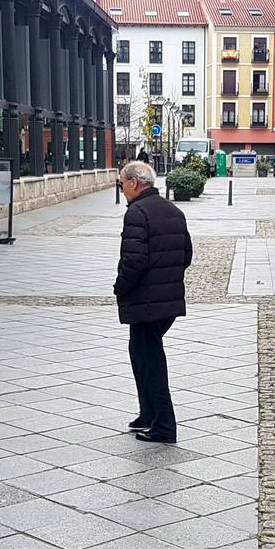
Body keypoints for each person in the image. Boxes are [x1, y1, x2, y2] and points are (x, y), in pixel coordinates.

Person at [114, 160, 193, 443]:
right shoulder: (173, 210)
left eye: (121, 184)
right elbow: (186, 255)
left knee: (151, 361)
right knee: (141, 354)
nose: (121, 189)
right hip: (166, 300)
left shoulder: (137, 212)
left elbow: (133, 261)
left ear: (134, 182)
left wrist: (120, 288)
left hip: (146, 300)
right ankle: (147, 413)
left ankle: (164, 426)